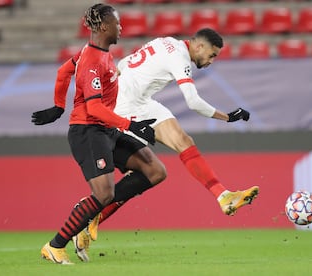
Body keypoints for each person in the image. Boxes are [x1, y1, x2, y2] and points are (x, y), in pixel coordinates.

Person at [55, 28, 259, 261]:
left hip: (140, 101)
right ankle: (90, 215)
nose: (211, 61)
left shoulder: (165, 41)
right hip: (125, 107)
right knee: (148, 170)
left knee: (183, 142)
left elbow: (124, 63)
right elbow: (192, 102)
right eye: (212, 55)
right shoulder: (180, 58)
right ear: (199, 46)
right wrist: (228, 117)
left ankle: (223, 195)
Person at [32, 3, 166, 264]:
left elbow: (63, 72)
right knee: (104, 195)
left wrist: (59, 106)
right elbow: (93, 107)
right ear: (104, 26)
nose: (121, 27)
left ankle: (91, 212)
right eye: (117, 23)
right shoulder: (93, 61)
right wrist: (131, 125)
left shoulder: (94, 53)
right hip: (88, 132)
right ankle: (54, 246)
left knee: (155, 170)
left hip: (106, 129)